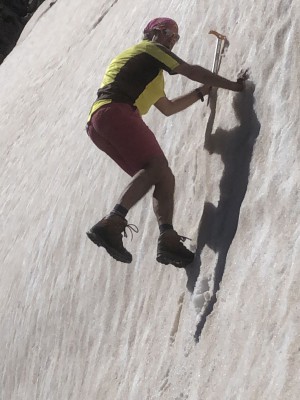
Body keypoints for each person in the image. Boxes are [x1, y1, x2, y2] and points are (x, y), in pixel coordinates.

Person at [86, 17, 247, 268]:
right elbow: (190, 70)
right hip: (115, 110)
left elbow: (168, 108)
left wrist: (202, 92)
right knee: (157, 165)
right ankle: (111, 223)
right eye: (167, 33)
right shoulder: (150, 50)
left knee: (162, 176)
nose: (171, 40)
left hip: (100, 124)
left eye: (175, 37)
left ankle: (168, 239)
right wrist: (232, 86)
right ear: (152, 33)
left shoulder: (152, 75)